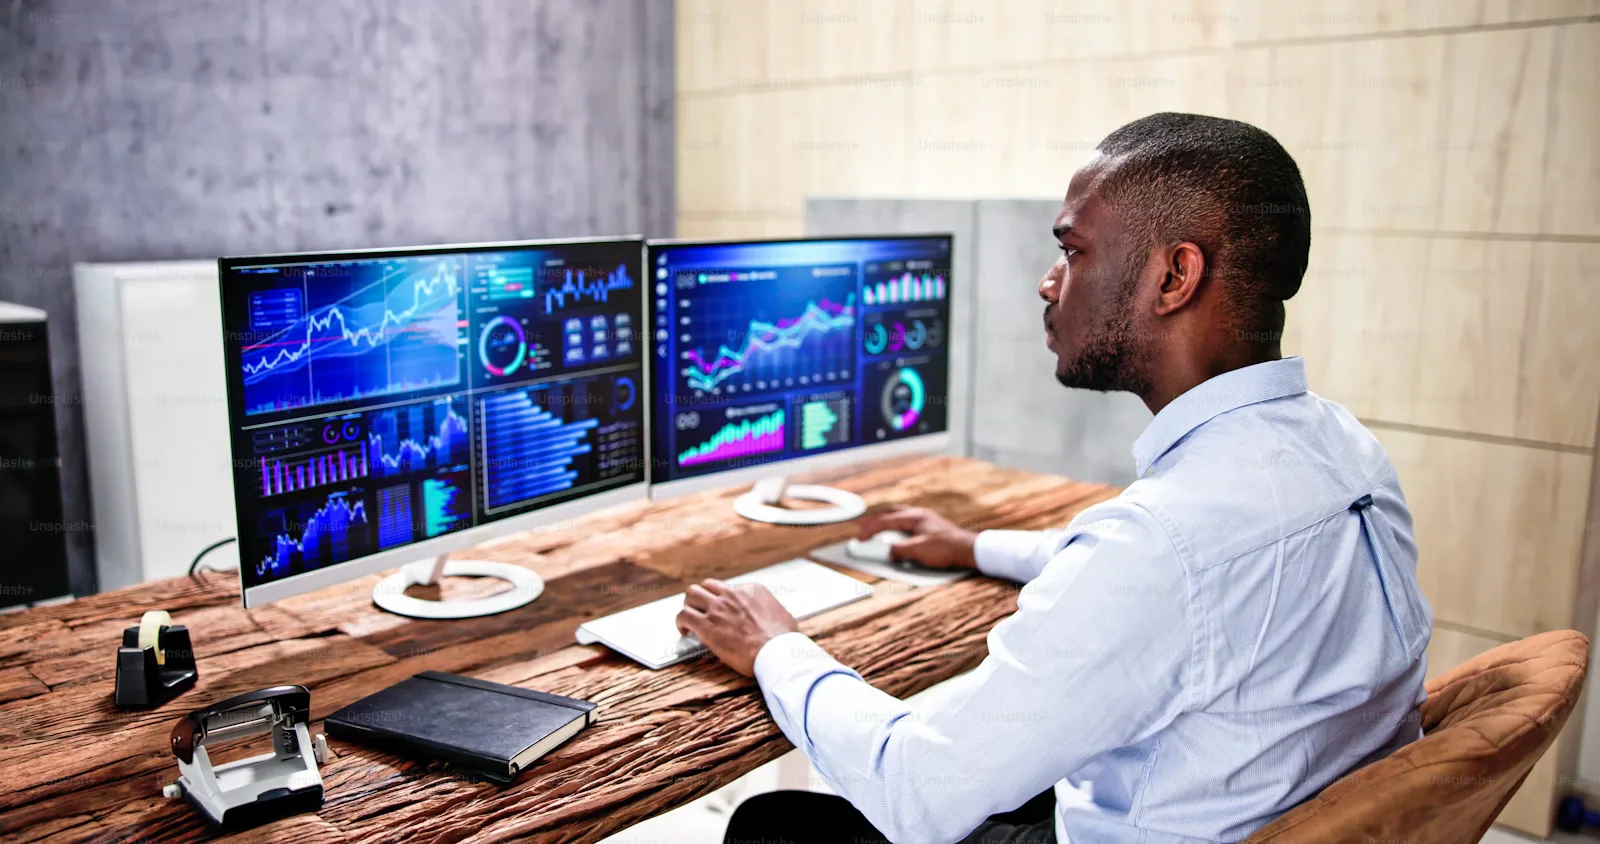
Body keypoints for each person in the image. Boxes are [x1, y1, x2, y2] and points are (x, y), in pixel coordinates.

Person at [676, 112, 1432, 844]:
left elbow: (916, 791)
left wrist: (775, 645)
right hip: (1257, 801)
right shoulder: (1344, 449)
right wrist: (976, 547)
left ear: (1174, 276)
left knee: (773, 825)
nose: (1047, 282)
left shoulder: (1166, 543)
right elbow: (1188, 585)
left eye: (1071, 251)